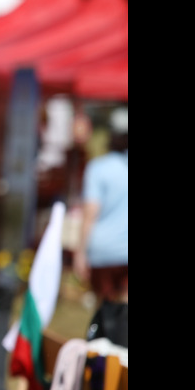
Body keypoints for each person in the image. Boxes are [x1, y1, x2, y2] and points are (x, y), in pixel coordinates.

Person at [73, 107, 128, 346]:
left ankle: (105, 364)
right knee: (125, 313)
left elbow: (90, 214)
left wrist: (80, 252)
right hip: (125, 250)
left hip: (102, 250)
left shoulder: (98, 168)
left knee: (104, 312)